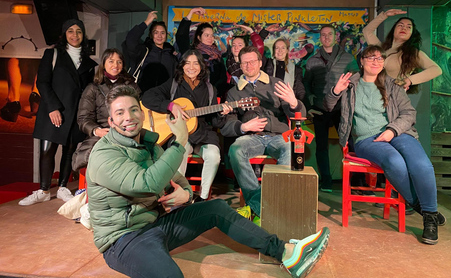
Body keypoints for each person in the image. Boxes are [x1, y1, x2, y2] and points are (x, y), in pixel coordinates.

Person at [87, 84, 329, 278]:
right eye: (119, 113)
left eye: (133, 109)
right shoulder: (103, 154)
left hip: (156, 225)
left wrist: (185, 194)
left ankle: (287, 253)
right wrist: (180, 141)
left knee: (216, 208)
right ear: (110, 122)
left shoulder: (148, 143)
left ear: (140, 112)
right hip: (124, 239)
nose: (128, 117)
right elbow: (146, 184)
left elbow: (178, 179)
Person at [324, 45, 446, 245]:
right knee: (394, 162)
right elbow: (328, 106)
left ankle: (429, 216)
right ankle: (421, 206)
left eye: (380, 58)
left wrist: (392, 131)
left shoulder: (393, 85)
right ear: (361, 61)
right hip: (366, 139)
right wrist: (336, 90)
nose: (376, 61)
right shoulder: (350, 84)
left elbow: (409, 113)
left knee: (421, 165)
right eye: (371, 57)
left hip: (397, 132)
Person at [221, 46, 306, 219]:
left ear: (260, 63)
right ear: (240, 65)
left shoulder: (276, 84)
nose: (249, 65)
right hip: (251, 138)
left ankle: (258, 206)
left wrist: (293, 103)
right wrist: (244, 127)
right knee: (236, 150)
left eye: (253, 61)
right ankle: (267, 205)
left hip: (279, 136)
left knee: (291, 149)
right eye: (245, 62)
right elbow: (226, 126)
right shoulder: (233, 92)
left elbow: (300, 116)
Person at [19, 19, 97, 206]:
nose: (75, 35)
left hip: (75, 113)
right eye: (70, 31)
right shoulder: (52, 54)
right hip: (53, 111)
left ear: (83, 35)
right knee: (47, 150)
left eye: (79, 32)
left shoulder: (88, 62)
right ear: (64, 35)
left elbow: (88, 91)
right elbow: (43, 82)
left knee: (69, 151)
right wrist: (53, 107)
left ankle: (62, 187)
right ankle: (43, 190)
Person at [142, 49, 229, 201]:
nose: (191, 67)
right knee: (178, 154)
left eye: (196, 63)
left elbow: (215, 122)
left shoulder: (210, 89)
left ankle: (202, 198)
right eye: (187, 63)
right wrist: (170, 106)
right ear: (182, 66)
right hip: (181, 133)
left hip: (204, 134)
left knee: (214, 156)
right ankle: (179, 193)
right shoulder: (174, 84)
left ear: (202, 66)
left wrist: (222, 113)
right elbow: (147, 97)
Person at [304, 24, 358, 192]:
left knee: (350, 143)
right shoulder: (312, 60)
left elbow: (357, 79)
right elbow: (306, 84)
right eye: (323, 35)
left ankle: (356, 182)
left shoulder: (347, 58)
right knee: (321, 146)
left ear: (336, 37)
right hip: (320, 108)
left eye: (329, 34)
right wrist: (310, 102)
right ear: (320, 38)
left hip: (341, 108)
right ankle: (326, 181)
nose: (326, 37)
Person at [72, 48, 139, 172]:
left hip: (128, 131)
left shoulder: (131, 86)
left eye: (119, 62)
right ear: (104, 64)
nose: (115, 65)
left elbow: (140, 111)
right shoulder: (93, 88)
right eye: (111, 61)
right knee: (94, 154)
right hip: (104, 132)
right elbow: (83, 118)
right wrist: (97, 131)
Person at [362, 9, 442, 92]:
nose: (404, 28)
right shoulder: (381, 48)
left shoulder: (413, 53)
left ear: (412, 33)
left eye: (409, 27)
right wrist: (385, 15)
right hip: (372, 93)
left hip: (392, 97)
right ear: (394, 29)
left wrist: (409, 80)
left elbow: (436, 69)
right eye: (400, 25)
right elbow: (367, 31)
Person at [175, 7, 227, 97]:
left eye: (212, 35)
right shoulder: (192, 53)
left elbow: (222, 79)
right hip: (192, 95)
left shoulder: (217, 55)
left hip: (212, 98)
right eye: (207, 35)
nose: (210, 38)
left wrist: (214, 93)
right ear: (199, 37)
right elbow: (181, 36)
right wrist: (191, 12)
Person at [124, 11, 178, 94]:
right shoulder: (144, 50)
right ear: (151, 34)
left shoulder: (171, 54)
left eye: (162, 33)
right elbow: (130, 39)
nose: (159, 36)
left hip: (164, 98)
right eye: (156, 32)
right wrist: (147, 22)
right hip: (142, 95)